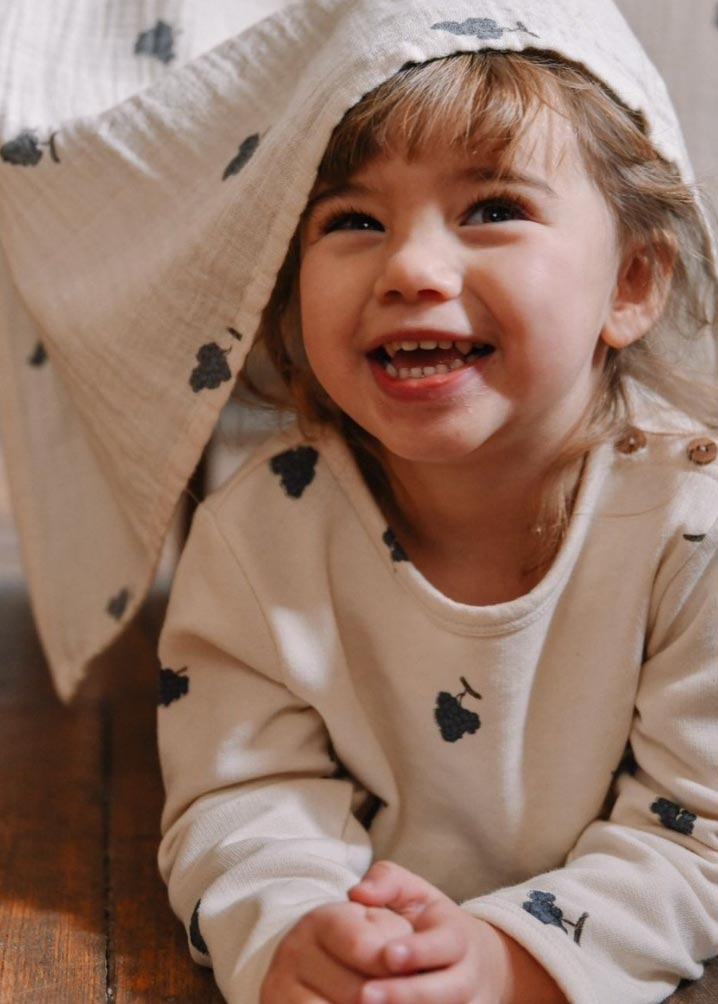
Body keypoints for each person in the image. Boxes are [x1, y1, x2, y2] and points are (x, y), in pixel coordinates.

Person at [156, 4, 718, 1003]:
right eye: (352, 221)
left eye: (493, 208)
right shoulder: (260, 533)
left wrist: (504, 962)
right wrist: (296, 935)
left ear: (631, 281)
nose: (411, 269)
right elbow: (243, 795)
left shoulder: (693, 529)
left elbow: (696, 834)